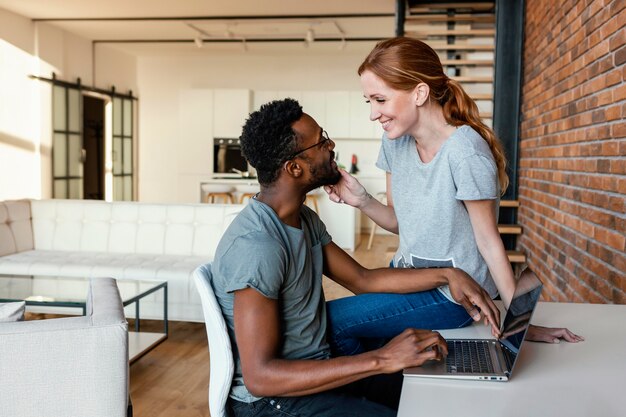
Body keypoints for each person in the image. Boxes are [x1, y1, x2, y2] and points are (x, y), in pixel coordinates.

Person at [211, 98, 502, 417]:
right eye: (321, 141)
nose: (331, 144)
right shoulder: (257, 245)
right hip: (276, 402)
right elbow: (261, 377)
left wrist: (448, 275)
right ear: (295, 167)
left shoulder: (301, 219)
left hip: (317, 373)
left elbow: (364, 280)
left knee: (432, 395)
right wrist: (383, 359)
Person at [324, 37, 584, 348]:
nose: (373, 114)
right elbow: (398, 221)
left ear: (419, 93)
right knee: (343, 332)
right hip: (406, 276)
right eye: (370, 102)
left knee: (331, 323)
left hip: (453, 296)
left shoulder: (465, 152)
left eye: (380, 100)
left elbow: (489, 242)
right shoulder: (394, 142)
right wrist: (362, 201)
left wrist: (521, 323)